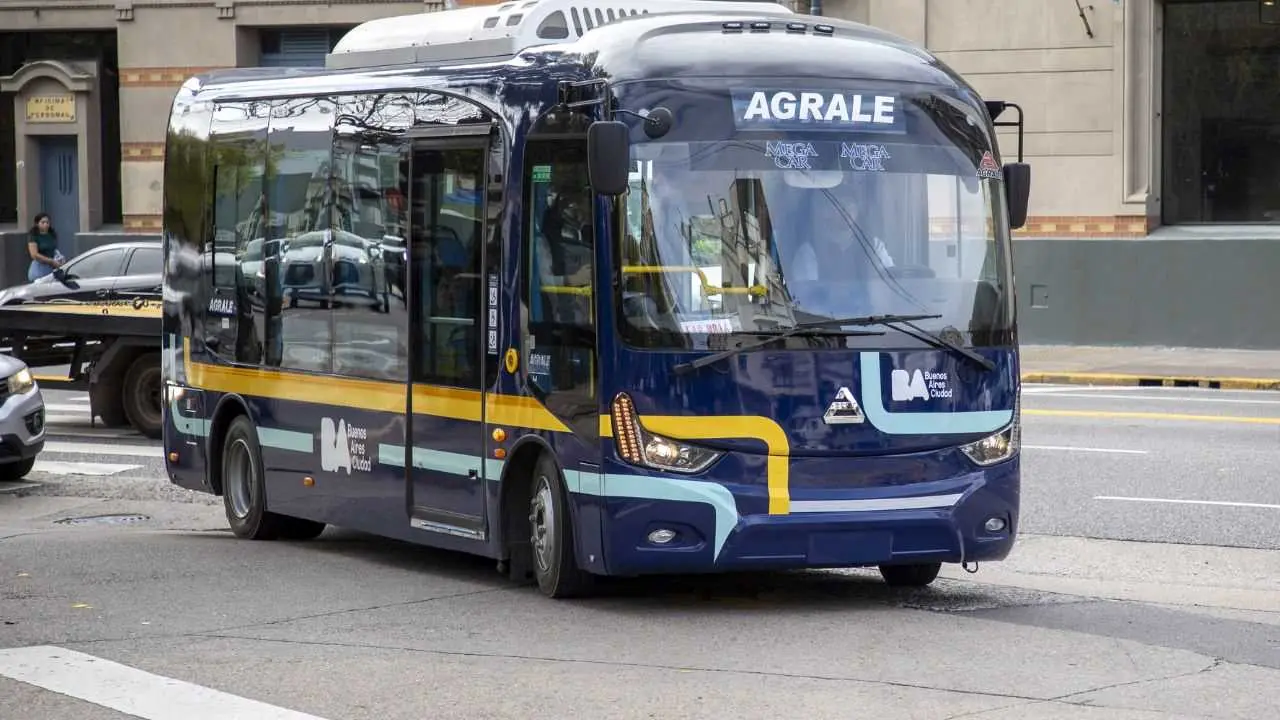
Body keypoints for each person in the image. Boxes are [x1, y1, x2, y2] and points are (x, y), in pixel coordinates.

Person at [26, 212, 65, 282]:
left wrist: (58, 258)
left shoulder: (52, 234)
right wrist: (50, 261)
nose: (46, 224)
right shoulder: (34, 236)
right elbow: (34, 254)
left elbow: (54, 249)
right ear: (37, 223)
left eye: (47, 222)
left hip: (51, 267)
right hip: (39, 268)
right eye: (43, 222)